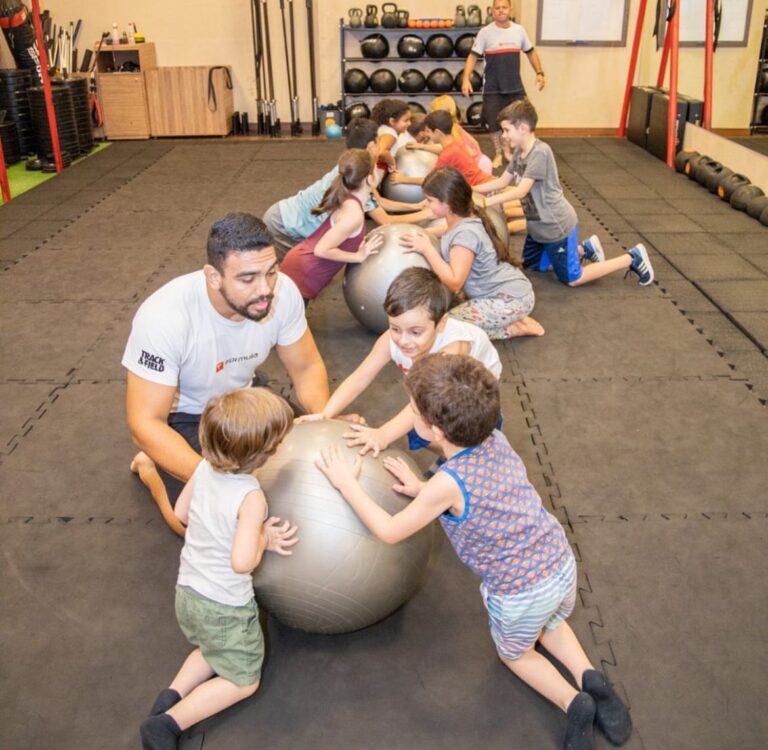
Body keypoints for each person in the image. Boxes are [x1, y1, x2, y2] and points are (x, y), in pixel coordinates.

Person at [316, 354, 632, 750]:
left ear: (434, 430)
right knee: (551, 620)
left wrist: (346, 484)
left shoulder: (447, 483)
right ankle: (590, 677)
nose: (408, 413)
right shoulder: (495, 440)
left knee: (516, 655)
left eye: (412, 410)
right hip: (560, 564)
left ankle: (573, 702)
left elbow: (390, 530)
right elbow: (485, 494)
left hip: (519, 593)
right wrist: (422, 491)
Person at [123, 212, 330, 533]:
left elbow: (306, 368)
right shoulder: (164, 318)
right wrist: (216, 484)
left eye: (271, 272)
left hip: (247, 399)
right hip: (188, 416)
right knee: (201, 525)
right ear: (213, 276)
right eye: (247, 279)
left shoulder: (283, 292)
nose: (265, 289)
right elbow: (145, 423)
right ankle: (150, 469)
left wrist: (324, 421)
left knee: (325, 466)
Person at [139, 388, 299, 750]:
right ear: (264, 454)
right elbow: (242, 562)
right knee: (242, 680)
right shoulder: (251, 497)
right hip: (224, 606)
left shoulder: (203, 468)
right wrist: (262, 536)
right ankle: (167, 724)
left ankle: (170, 697)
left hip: (187, 591)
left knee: (210, 651)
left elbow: (181, 513)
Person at [301, 266, 501, 458]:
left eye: (415, 332)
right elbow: (360, 377)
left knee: (462, 437)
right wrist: (326, 413)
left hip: (474, 396)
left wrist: (384, 435)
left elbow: (423, 404)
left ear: (440, 324)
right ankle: (448, 457)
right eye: (395, 328)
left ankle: (468, 457)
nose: (403, 341)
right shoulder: (389, 341)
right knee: (419, 430)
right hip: (436, 391)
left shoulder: (451, 351)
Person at [473, 99, 655, 287]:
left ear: (523, 128)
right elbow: (503, 181)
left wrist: (485, 203)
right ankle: (585, 249)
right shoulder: (519, 152)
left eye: (506, 130)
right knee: (532, 266)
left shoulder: (540, 153)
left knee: (572, 278)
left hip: (555, 228)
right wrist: (472, 190)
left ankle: (632, 257)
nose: (503, 136)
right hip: (538, 230)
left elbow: (521, 191)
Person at [401, 166, 544, 339]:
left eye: (430, 200)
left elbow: (455, 283)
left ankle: (516, 327)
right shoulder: (462, 219)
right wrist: (423, 233)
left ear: (447, 204)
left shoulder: (466, 235)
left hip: (511, 300)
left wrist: (427, 249)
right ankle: (508, 318)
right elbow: (448, 231)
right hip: (505, 294)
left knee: (446, 328)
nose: (425, 204)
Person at [262, 117, 432, 259]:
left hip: (287, 219)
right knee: (298, 277)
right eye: (379, 140)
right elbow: (385, 220)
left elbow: (378, 201)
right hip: (284, 225)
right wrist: (428, 214)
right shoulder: (359, 176)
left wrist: (416, 206)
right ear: (371, 145)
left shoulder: (355, 165)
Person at [280, 149, 383, 302]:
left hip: (301, 264)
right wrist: (357, 256)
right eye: (376, 168)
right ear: (369, 178)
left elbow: (341, 235)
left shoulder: (350, 200)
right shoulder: (353, 214)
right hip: (302, 272)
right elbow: (321, 250)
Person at [461, 0, 545, 168]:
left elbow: (530, 52)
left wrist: (539, 73)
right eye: (497, 8)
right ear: (493, 11)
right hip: (493, 88)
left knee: (525, 118)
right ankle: (500, 153)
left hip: (515, 87)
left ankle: (521, 152)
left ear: (509, 9)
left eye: (504, 7)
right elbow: (472, 56)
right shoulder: (485, 32)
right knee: (494, 124)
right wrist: (465, 79)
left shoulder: (519, 30)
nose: (501, 10)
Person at [392, 110, 493, 189]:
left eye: (428, 131)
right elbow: (442, 149)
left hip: (482, 189)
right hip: (485, 181)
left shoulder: (447, 155)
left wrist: (403, 179)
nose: (427, 135)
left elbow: (429, 180)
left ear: (437, 132)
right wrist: (421, 146)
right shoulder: (455, 142)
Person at [406, 95, 494, 175]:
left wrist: (421, 146)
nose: (430, 113)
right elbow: (475, 143)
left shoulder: (451, 130)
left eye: (433, 110)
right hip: (482, 161)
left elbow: (443, 148)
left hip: (480, 165)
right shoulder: (454, 126)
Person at [371, 98, 412, 176]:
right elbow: (382, 152)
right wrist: (393, 163)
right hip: (378, 169)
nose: (409, 123)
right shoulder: (390, 133)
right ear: (392, 121)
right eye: (406, 120)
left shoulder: (383, 128)